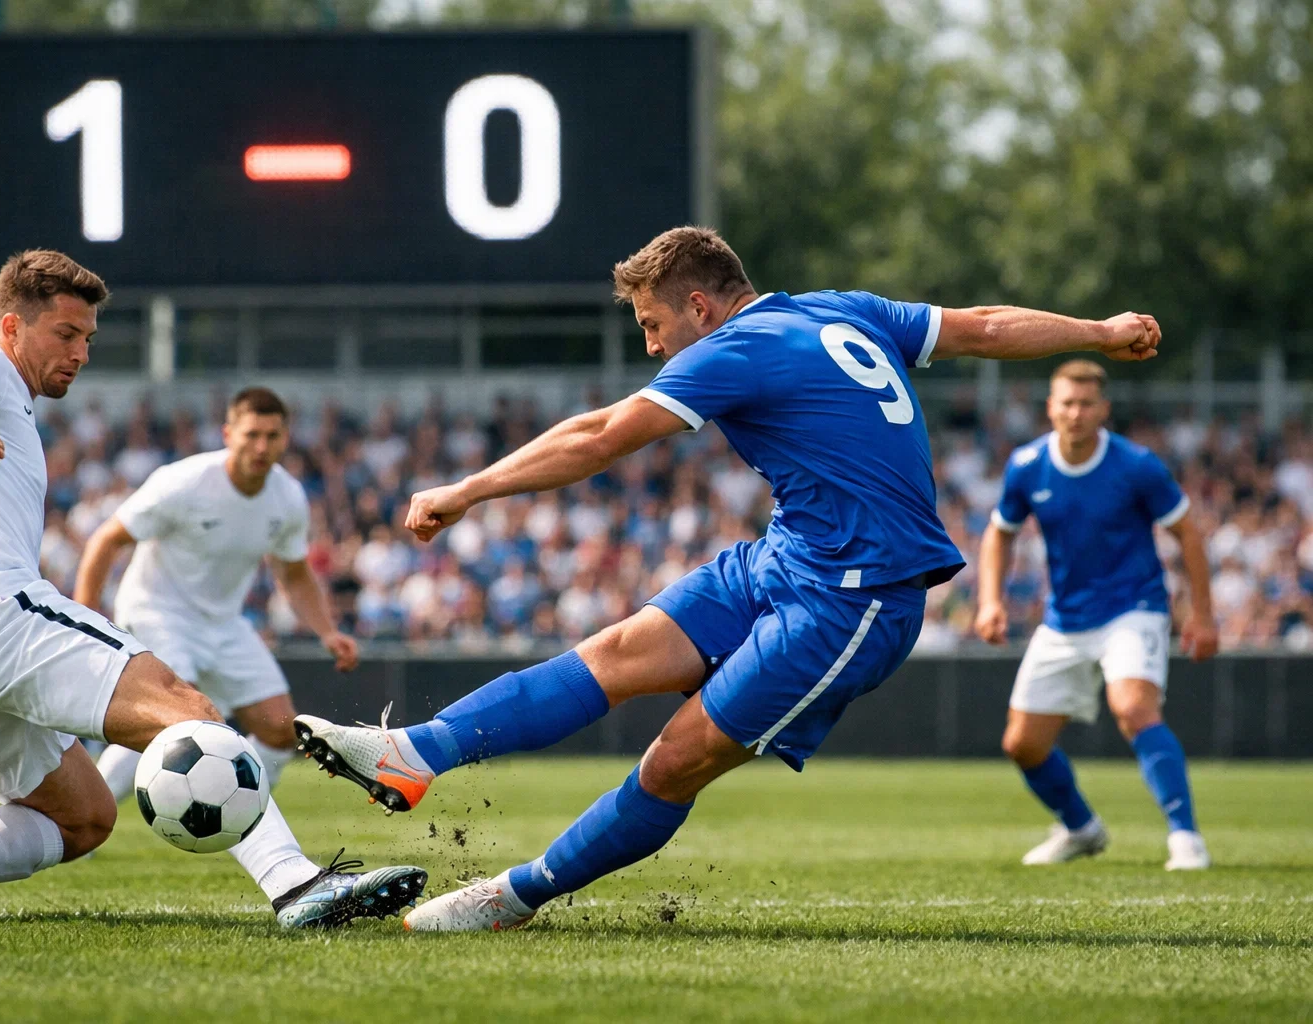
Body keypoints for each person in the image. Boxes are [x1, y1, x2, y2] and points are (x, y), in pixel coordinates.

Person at [293, 225, 1163, 931]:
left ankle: (514, 896)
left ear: (700, 307)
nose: (652, 345)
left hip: (853, 600)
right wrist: (1098, 331)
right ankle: (414, 755)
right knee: (615, 653)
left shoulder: (736, 348)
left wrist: (469, 489)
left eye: (652, 325)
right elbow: (984, 325)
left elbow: (600, 435)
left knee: (674, 759)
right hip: (785, 556)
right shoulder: (840, 310)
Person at [0, 250, 423, 928]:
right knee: (190, 711)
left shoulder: (8, 400)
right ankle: (296, 884)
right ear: (11, 326)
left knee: (84, 818)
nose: (80, 353)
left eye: (88, 338)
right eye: (65, 334)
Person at [974, 360, 1216, 870]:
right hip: (1065, 618)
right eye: (1067, 403)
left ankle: (1186, 837)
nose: (1076, 413)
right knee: (1022, 744)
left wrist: (1203, 615)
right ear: (1050, 408)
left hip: (1134, 608)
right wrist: (990, 601)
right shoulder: (1027, 465)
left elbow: (1188, 533)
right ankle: (1081, 829)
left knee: (1133, 708)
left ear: (1103, 409)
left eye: (1086, 404)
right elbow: (999, 533)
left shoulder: (1136, 465)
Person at [71, 386, 358, 809]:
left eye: (272, 436)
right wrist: (84, 621)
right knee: (176, 719)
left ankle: (233, 810)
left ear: (285, 439)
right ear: (228, 434)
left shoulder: (288, 497)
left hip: (223, 623)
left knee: (280, 729)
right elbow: (106, 540)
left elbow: (294, 572)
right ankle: (84, 812)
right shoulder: (183, 482)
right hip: (157, 611)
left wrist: (328, 631)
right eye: (251, 434)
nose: (261, 446)